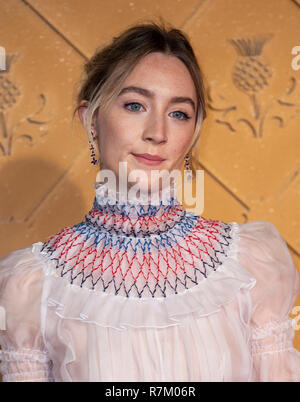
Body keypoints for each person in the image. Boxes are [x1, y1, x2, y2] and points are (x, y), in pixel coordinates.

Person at [0, 20, 299, 382]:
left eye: (178, 114)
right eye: (135, 105)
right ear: (91, 119)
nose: (157, 133)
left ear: (192, 132)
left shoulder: (251, 268)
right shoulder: (30, 286)